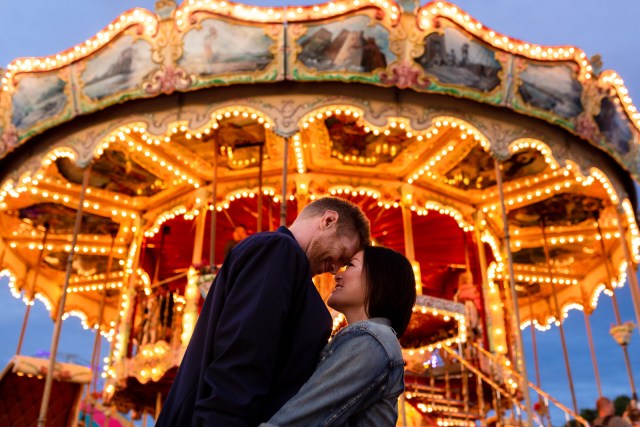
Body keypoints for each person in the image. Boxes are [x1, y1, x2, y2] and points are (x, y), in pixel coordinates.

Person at [156, 197, 371, 427]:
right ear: (328, 220)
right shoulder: (279, 251)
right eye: (342, 253)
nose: (335, 269)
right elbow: (242, 358)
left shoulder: (287, 264)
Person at [261, 245, 417, 426]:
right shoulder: (368, 339)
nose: (337, 275)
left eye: (350, 265)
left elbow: (300, 417)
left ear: (379, 279)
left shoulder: (371, 340)